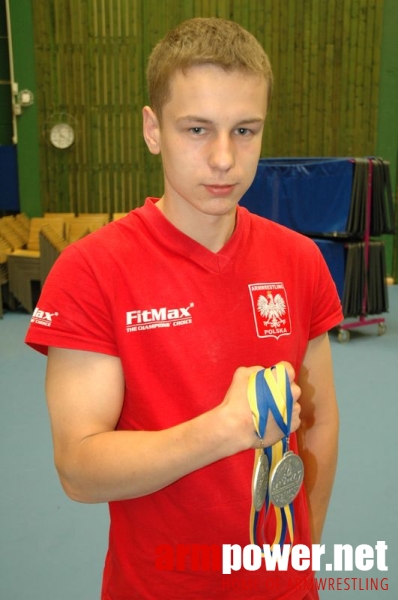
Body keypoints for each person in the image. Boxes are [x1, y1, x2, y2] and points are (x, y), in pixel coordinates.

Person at [26, 17, 343, 600]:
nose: (224, 158)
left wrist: (305, 555)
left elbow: (318, 425)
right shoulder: (92, 272)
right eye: (197, 128)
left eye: (245, 130)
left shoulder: (300, 261)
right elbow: (78, 467)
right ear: (153, 130)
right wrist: (219, 431)